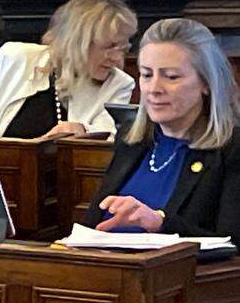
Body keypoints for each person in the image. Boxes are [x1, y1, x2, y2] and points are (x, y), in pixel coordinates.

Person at [82, 18, 240, 244]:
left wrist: (159, 222)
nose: (154, 89)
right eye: (147, 75)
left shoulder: (232, 149)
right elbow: (93, 225)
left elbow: (233, 245)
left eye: (172, 77)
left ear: (206, 82)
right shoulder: (131, 139)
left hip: (181, 278)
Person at [0, 0, 137, 139]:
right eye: (110, 47)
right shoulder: (13, 59)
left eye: (123, 49)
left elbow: (108, 140)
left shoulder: (118, 84)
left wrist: (84, 131)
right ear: (76, 41)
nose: (118, 60)